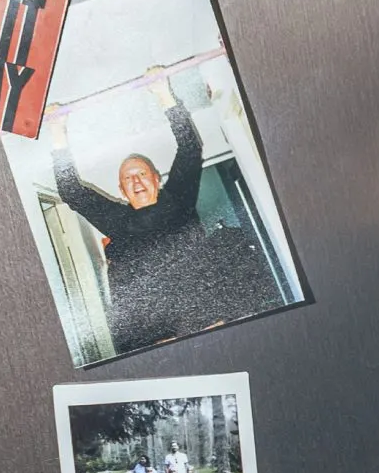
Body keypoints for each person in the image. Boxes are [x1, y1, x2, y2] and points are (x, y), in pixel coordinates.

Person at [48, 82, 280, 354]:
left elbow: (189, 149)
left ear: (157, 180)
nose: (136, 181)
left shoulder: (179, 200)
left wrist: (164, 94)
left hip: (211, 324)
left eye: (142, 174)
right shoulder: (117, 221)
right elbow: (71, 191)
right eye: (128, 178)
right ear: (122, 190)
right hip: (165, 341)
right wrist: (57, 131)